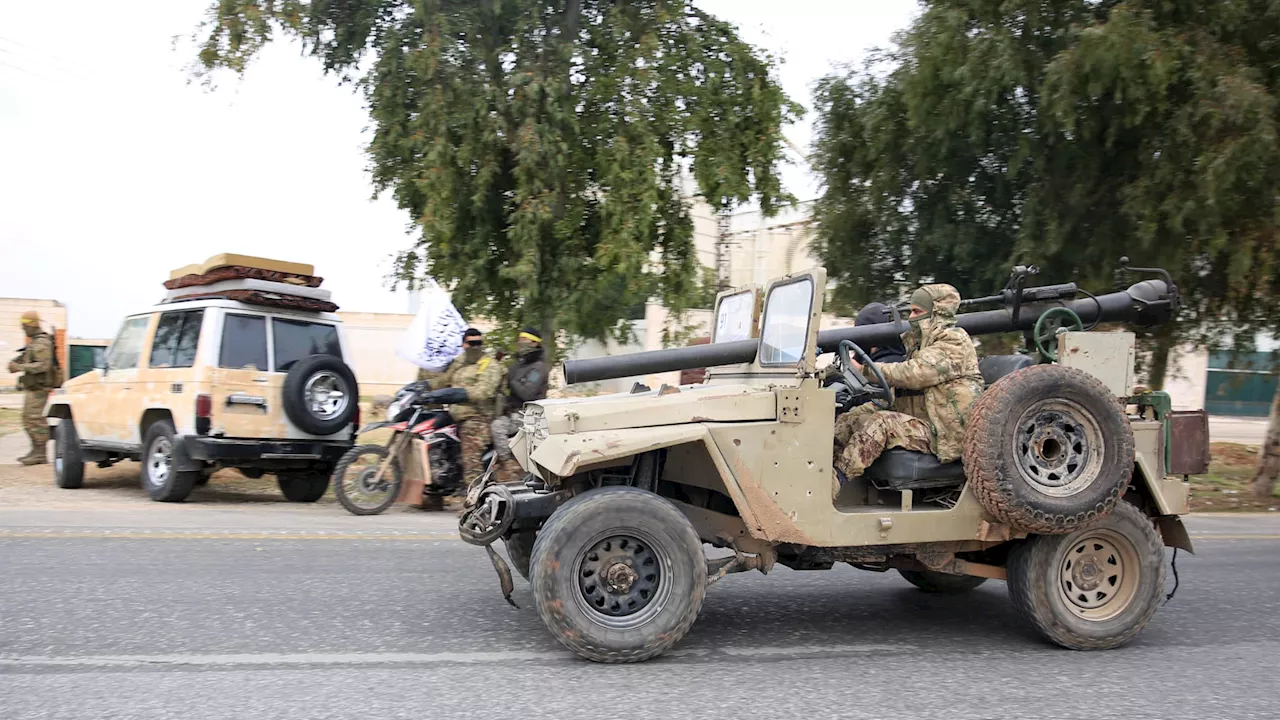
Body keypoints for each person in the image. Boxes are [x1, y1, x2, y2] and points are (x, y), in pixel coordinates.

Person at [832, 284, 985, 481]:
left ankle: (836, 482)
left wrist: (865, 370)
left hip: (946, 434)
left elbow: (916, 373)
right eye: (910, 311)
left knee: (881, 423)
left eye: (917, 311)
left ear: (936, 312)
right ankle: (821, 468)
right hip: (925, 420)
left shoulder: (953, 341)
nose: (911, 318)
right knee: (851, 418)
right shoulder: (920, 344)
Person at [430, 328, 506, 486]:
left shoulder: (489, 364)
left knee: (470, 456)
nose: (476, 347)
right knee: (430, 437)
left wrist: (461, 393)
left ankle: (475, 497)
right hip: (454, 414)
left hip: (477, 417)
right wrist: (423, 387)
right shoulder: (460, 362)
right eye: (472, 343)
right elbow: (443, 380)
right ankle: (434, 492)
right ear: (463, 344)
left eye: (479, 343)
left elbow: (484, 391)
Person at [491, 328, 549, 482]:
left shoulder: (538, 367)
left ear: (535, 343)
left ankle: (510, 468)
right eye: (520, 339)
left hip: (529, 416)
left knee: (497, 427)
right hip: (512, 412)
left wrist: (510, 379)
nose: (520, 343)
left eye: (525, 340)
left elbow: (527, 393)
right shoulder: (518, 365)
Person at [8, 311, 56, 465]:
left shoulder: (42, 342)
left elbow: (43, 365)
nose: (23, 329)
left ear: (32, 325)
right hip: (34, 387)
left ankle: (40, 453)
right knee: (29, 419)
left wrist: (20, 367)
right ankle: (36, 451)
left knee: (35, 420)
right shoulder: (35, 342)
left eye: (25, 326)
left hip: (39, 388)